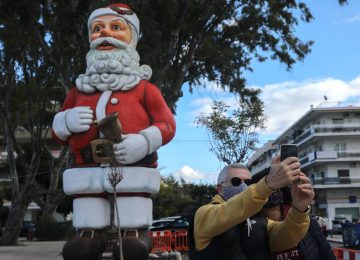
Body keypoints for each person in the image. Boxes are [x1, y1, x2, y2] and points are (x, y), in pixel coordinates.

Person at [51, 3, 176, 259]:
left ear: (133, 38)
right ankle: (89, 236)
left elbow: (167, 125)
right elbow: (56, 135)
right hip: (86, 169)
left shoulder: (144, 89)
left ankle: (133, 234)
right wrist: (66, 121)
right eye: (97, 28)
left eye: (115, 27)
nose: (105, 34)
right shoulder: (77, 91)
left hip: (134, 169)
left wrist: (143, 141)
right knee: (88, 213)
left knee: (131, 213)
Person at [190, 157, 314, 260]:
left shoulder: (259, 218)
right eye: (236, 181)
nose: (243, 186)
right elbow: (230, 210)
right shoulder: (204, 214)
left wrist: (299, 208)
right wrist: (268, 184)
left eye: (248, 182)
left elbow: (286, 237)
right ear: (220, 188)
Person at [261, 188, 336, 260]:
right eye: (265, 189)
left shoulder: (304, 218)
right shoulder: (252, 227)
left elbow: (325, 250)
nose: (271, 192)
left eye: (275, 189)